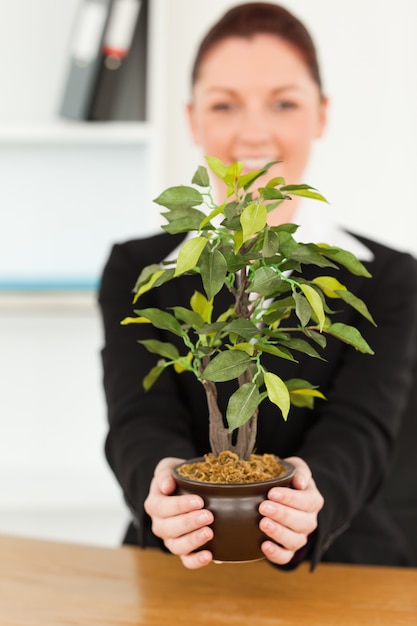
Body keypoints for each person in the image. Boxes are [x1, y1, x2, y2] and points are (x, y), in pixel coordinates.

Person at [98, 2, 417, 570]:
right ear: (193, 119)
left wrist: (311, 500)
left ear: (321, 114)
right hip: (173, 565)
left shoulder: (388, 276)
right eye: (224, 104)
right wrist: (163, 485)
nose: (253, 131)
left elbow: (364, 426)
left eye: (284, 102)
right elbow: (137, 417)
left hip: (350, 564)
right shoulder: (139, 269)